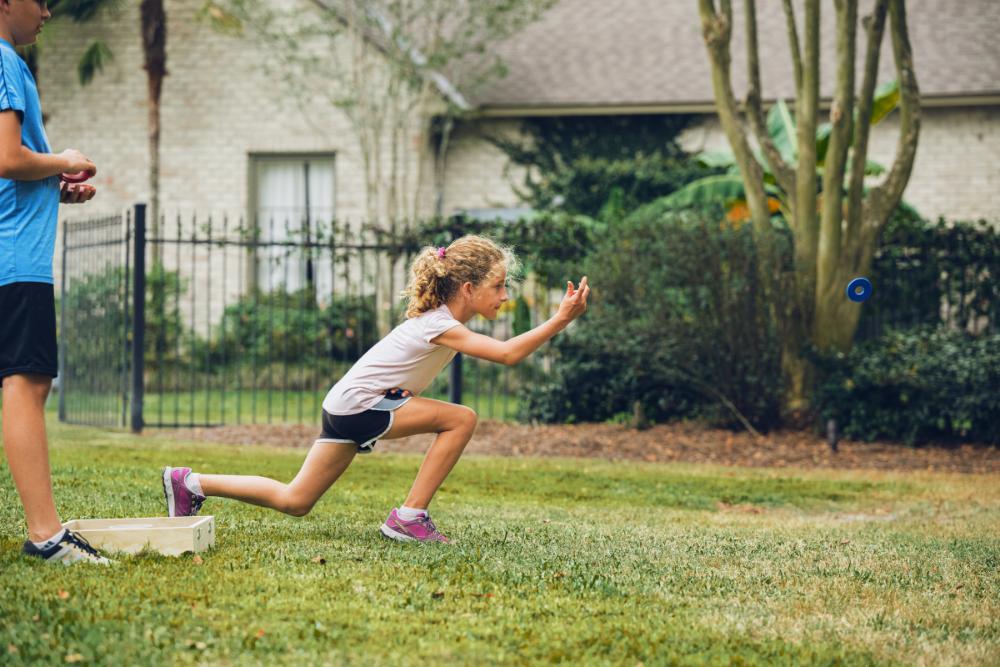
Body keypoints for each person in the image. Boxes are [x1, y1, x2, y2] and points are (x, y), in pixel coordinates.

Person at [162, 235, 590, 543]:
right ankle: (409, 517)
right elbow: (508, 354)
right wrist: (561, 319)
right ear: (468, 288)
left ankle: (191, 483)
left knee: (296, 500)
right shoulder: (441, 324)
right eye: (498, 286)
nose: (504, 295)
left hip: (346, 405)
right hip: (359, 407)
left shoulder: (440, 322)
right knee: (462, 419)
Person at [1, 0, 106, 563]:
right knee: (27, 381)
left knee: (22, 380)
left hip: (11, 250)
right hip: (16, 259)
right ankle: (46, 535)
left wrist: (55, 185)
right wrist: (61, 155)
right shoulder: (4, 61)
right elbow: (8, 157)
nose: (46, 11)